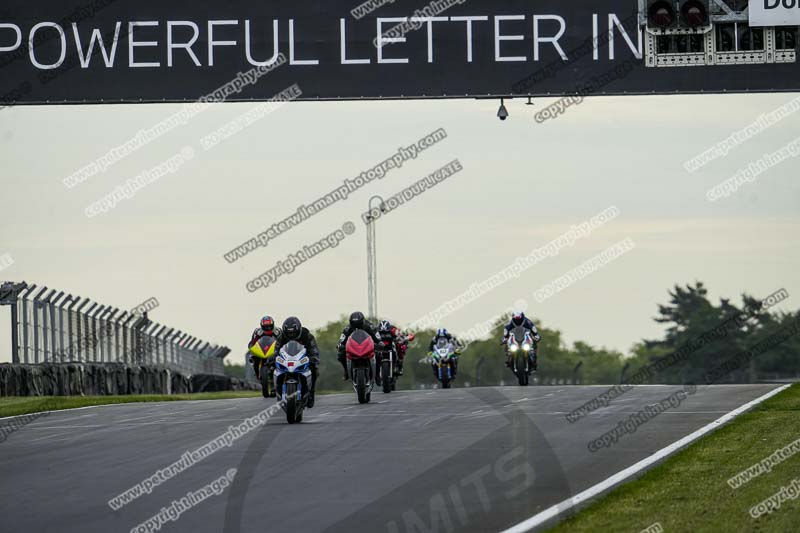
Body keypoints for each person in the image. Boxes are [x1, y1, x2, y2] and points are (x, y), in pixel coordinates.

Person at [273, 316, 320, 408]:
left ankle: (311, 393)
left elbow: (313, 348)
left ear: (298, 330)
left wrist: (314, 357)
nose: (291, 335)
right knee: (273, 367)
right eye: (289, 333)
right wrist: (273, 357)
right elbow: (276, 349)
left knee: (314, 369)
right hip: (287, 359)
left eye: (293, 333)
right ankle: (277, 390)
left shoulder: (306, 335)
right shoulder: (281, 337)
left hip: (303, 358)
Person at [336, 311, 380, 380]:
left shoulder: (370, 326)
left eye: (358, 324)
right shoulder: (348, 328)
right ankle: (346, 371)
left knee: (379, 353)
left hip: (368, 346)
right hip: (354, 347)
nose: (356, 326)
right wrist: (340, 344)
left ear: (363, 321)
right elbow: (342, 338)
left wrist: (379, 342)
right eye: (354, 324)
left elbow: (377, 336)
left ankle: (377, 374)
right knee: (340, 354)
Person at [247, 315, 278, 380]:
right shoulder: (257, 332)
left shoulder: (277, 331)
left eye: (269, 326)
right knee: (254, 358)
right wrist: (251, 348)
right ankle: (257, 374)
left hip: (273, 350)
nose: (267, 328)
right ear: (262, 326)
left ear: (272, 325)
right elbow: (252, 342)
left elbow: (281, 342)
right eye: (265, 327)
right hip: (262, 350)